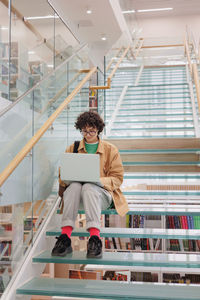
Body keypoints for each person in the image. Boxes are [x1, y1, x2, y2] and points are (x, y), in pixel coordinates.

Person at [51, 111, 128, 258]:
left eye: (92, 130)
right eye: (84, 131)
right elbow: (62, 177)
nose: (88, 134)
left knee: (89, 187)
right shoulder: (72, 148)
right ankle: (65, 238)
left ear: (98, 129)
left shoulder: (111, 150)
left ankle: (94, 238)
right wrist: (67, 178)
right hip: (76, 197)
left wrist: (97, 180)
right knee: (74, 186)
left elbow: (118, 178)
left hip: (101, 196)